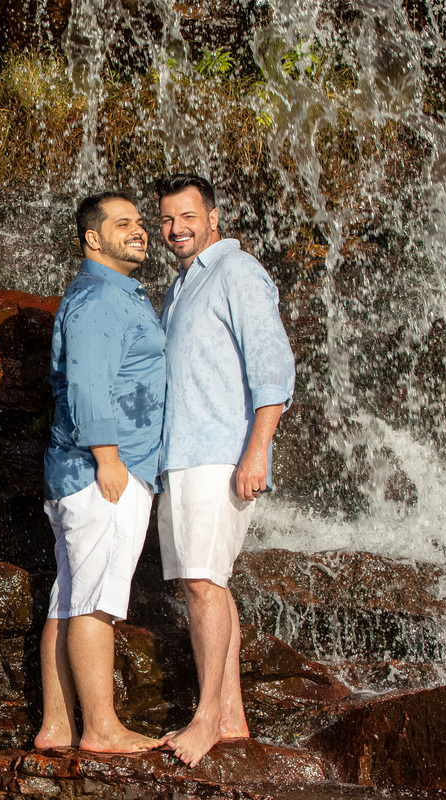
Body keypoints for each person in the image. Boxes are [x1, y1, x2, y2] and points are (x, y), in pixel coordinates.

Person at [154, 173, 295, 766]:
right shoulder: (181, 286)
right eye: (167, 219)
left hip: (219, 455)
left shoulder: (237, 271)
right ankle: (232, 714)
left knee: (202, 584)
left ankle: (207, 716)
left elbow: (274, 367)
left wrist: (256, 450)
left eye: (188, 217)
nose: (176, 229)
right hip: (181, 456)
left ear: (213, 218)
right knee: (210, 581)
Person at [36, 192, 167, 754]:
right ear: (93, 238)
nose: (139, 230)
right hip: (105, 469)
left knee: (69, 599)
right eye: (123, 224)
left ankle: (57, 726)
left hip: (82, 471)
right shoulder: (100, 299)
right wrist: (109, 459)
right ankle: (101, 728)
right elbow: (89, 383)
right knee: (95, 600)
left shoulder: (110, 293)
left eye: (139, 222)